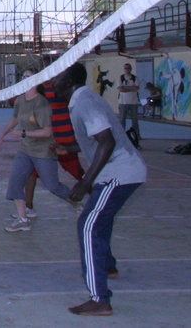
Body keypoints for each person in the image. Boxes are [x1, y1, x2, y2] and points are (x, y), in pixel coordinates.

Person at [56, 63, 147, 317]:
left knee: (88, 225)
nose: (54, 79)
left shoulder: (85, 103)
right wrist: (69, 148)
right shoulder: (82, 100)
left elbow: (106, 142)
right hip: (122, 172)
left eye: (59, 75)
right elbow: (96, 138)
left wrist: (85, 182)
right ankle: (108, 266)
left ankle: (100, 300)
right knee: (101, 221)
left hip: (119, 173)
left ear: (70, 79)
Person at [0, 69, 77, 232]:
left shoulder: (41, 104)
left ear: (35, 81)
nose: (23, 79)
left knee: (53, 186)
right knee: (16, 182)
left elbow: (47, 132)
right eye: (22, 76)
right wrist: (2, 135)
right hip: (25, 149)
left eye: (27, 76)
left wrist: (24, 133)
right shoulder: (20, 100)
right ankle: (23, 219)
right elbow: (15, 118)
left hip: (43, 151)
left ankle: (77, 203)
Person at [23, 79, 86, 219]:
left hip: (64, 139)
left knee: (79, 173)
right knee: (31, 173)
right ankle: (29, 208)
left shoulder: (61, 88)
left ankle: (98, 200)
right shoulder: (37, 90)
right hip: (45, 142)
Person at [116, 63, 140, 143]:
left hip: (133, 102)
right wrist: (131, 88)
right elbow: (120, 89)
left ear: (131, 69)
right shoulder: (121, 78)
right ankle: (121, 135)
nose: (127, 69)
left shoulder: (134, 78)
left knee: (135, 120)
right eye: (125, 68)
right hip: (123, 102)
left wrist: (126, 87)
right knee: (122, 119)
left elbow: (136, 88)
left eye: (128, 68)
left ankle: (137, 135)